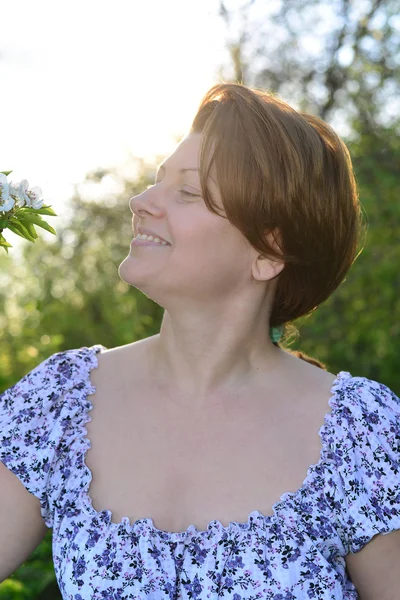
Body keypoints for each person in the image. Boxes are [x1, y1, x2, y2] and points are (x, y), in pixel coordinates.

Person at [1, 83, 399, 599]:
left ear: (269, 251)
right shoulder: (58, 400)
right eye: (155, 182)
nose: (139, 202)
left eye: (186, 192)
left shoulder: (362, 430)